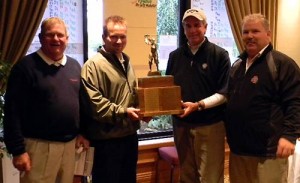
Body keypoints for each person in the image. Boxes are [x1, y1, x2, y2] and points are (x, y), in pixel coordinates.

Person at [3, 17, 89, 183]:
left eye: (60, 35)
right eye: (50, 35)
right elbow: (12, 112)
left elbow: (80, 104)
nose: (56, 39)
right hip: (38, 148)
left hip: (70, 147)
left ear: (67, 39)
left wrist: (82, 133)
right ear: (41, 38)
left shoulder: (74, 66)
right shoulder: (24, 68)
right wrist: (18, 151)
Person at [225, 13, 300, 183]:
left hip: (268, 152)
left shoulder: (281, 64)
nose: (249, 36)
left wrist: (289, 136)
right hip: (238, 150)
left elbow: (295, 102)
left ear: (268, 34)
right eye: (245, 32)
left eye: (255, 31)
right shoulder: (237, 65)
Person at [166, 8, 231, 183]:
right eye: (188, 26)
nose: (193, 30)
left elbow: (224, 93)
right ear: (184, 29)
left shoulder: (220, 55)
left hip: (210, 126)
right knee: (187, 176)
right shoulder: (175, 56)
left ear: (205, 27)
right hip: (181, 126)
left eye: (197, 25)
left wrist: (198, 105)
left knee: (209, 177)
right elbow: (168, 89)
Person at [80, 15, 141, 183]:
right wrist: (124, 112)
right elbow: (95, 105)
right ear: (104, 37)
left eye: (122, 36)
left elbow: (132, 94)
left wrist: (144, 110)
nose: (119, 41)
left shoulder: (126, 61)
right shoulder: (92, 66)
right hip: (106, 142)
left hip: (129, 137)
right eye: (113, 36)